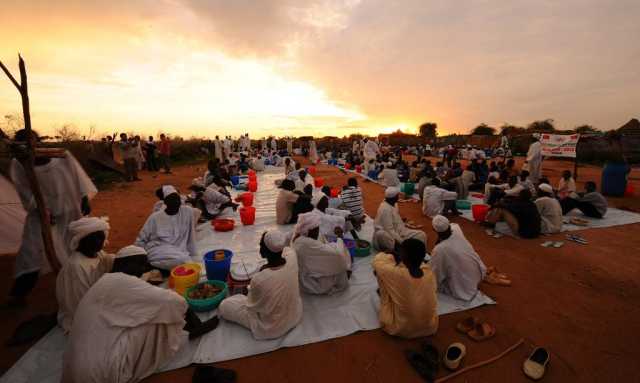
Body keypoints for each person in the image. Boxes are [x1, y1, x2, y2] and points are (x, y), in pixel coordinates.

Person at [62, 245, 218, 383]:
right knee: (159, 316)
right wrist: (197, 325)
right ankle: (192, 331)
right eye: (142, 265)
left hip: (75, 373)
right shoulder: (122, 282)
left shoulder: (105, 281)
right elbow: (175, 302)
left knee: (150, 310)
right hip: (103, 373)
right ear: (128, 264)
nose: (144, 270)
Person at [7, 130, 97, 308]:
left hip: (70, 209)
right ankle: (18, 294)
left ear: (38, 142)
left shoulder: (62, 156)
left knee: (76, 247)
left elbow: (79, 178)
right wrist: (43, 212)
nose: (27, 147)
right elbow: (25, 192)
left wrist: (84, 198)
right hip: (40, 216)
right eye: (21, 144)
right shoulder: (18, 164)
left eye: (30, 142)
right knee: (31, 253)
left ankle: (83, 286)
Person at [219, 231, 303, 340]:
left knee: (225, 305)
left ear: (264, 251)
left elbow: (252, 306)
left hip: (271, 328)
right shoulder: (292, 257)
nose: (259, 248)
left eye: (260, 245)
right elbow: (286, 249)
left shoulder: (259, 279)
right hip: (294, 316)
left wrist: (249, 289)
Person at [56, 217, 113, 333]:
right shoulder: (76, 266)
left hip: (99, 302)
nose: (99, 242)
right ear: (82, 240)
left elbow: (110, 263)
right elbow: (80, 303)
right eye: (94, 239)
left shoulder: (98, 254)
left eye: (101, 238)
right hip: (82, 314)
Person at [372, 238, 438, 338]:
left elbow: (377, 262)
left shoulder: (396, 274)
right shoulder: (429, 272)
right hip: (430, 327)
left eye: (401, 252)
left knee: (380, 278)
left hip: (400, 329)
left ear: (404, 256)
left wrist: (390, 254)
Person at [135, 185, 198, 270]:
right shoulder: (155, 217)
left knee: (186, 261)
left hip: (179, 250)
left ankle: (159, 267)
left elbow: (191, 235)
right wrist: (139, 256)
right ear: (165, 202)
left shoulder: (187, 212)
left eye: (177, 199)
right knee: (183, 261)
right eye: (171, 200)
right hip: (158, 249)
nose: (175, 202)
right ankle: (151, 265)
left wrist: (193, 252)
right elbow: (141, 239)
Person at [292, 212, 351, 295]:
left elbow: (322, 248)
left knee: (336, 248)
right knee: (341, 260)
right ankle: (346, 269)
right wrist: (340, 237)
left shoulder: (299, 236)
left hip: (304, 275)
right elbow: (338, 255)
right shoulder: (307, 243)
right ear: (309, 230)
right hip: (312, 282)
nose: (317, 231)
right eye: (316, 229)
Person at [429, 216, 486, 301]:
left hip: (465, 288)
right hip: (479, 275)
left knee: (431, 279)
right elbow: (452, 226)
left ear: (434, 230)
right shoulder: (456, 230)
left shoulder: (440, 249)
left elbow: (435, 275)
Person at [373, 187, 427, 252]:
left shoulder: (394, 204)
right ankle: (401, 253)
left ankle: (419, 255)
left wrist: (400, 220)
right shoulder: (385, 209)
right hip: (389, 235)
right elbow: (389, 230)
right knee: (382, 234)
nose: (399, 197)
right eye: (397, 195)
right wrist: (402, 241)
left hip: (400, 231)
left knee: (421, 235)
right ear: (394, 197)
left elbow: (394, 218)